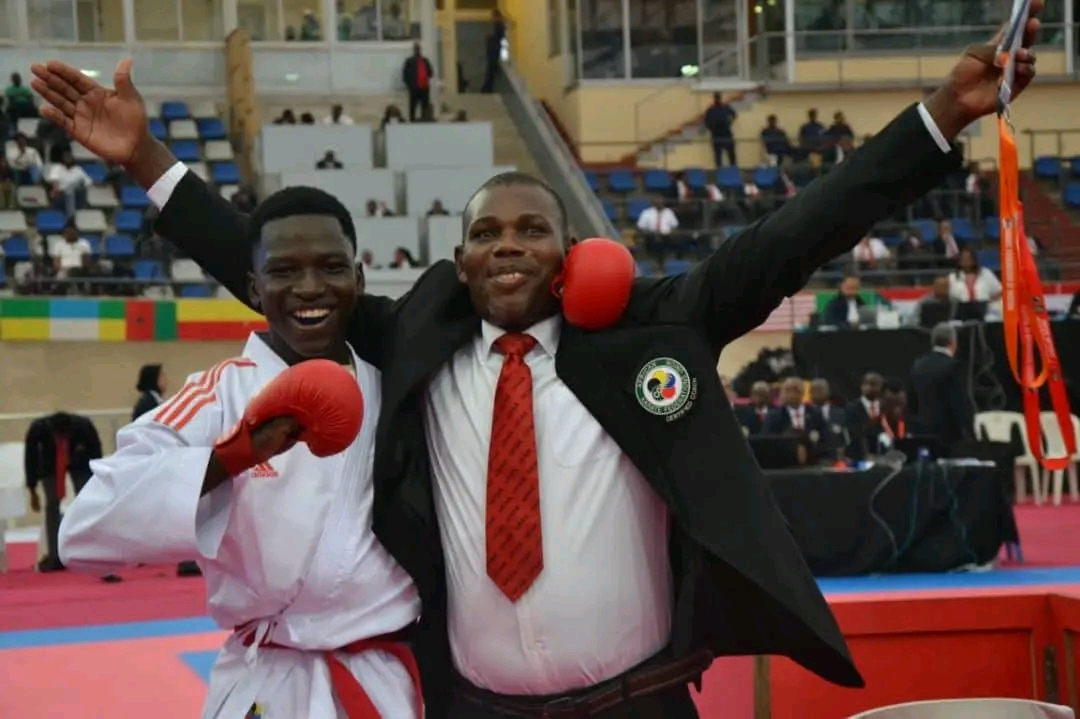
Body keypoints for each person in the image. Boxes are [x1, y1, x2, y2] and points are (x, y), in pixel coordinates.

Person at [31, 17, 1041, 712]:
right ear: (458, 260)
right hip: (477, 709)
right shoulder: (417, 343)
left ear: (570, 257)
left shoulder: (654, 331)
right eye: (485, 232)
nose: (508, 244)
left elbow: (795, 233)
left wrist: (940, 118)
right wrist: (148, 164)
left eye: (531, 229)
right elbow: (290, 277)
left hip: (643, 704)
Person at [58, 186, 424, 719]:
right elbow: (84, 531)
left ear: (359, 279)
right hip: (269, 684)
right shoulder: (219, 395)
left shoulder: (399, 389)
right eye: (283, 272)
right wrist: (230, 456)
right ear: (254, 288)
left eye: (330, 267)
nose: (309, 288)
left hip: (385, 685)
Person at [24, 411, 102, 573]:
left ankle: (89, 552)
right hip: (49, 462)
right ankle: (55, 555)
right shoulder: (39, 430)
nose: (60, 439)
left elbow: (97, 453)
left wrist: (99, 480)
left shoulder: (83, 428)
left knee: (85, 504)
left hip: (80, 460)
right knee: (52, 505)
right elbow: (30, 459)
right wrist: (32, 489)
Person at [910, 322, 973, 446]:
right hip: (948, 436)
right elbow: (958, 404)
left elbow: (912, 402)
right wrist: (967, 433)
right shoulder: (954, 366)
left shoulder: (918, 365)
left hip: (921, 433)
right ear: (953, 342)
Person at [763, 377, 831, 458]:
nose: (792, 394)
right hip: (783, 460)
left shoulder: (815, 413)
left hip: (815, 459)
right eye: (788, 390)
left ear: (802, 393)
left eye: (796, 390)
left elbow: (827, 439)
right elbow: (766, 441)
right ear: (781, 393)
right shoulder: (774, 415)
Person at [844, 372, 884, 461]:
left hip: (883, 457)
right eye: (866, 384)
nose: (870, 387)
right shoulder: (851, 408)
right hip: (858, 458)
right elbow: (852, 433)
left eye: (874, 384)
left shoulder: (885, 407)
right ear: (862, 386)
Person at [403, 42, 434, 122]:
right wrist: (410, 85)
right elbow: (405, 75)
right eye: (416, 49)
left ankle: (425, 120)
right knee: (413, 106)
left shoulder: (425, 61)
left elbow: (430, 73)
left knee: (425, 106)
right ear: (414, 50)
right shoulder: (409, 61)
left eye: (418, 49)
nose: (417, 50)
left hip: (424, 88)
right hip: (414, 88)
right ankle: (412, 121)